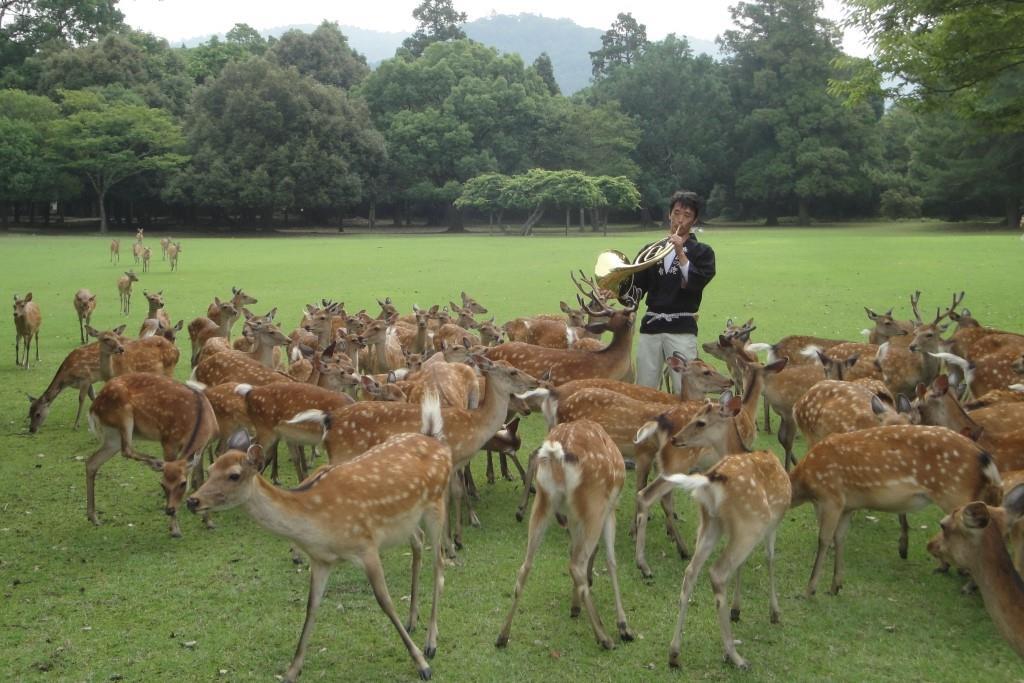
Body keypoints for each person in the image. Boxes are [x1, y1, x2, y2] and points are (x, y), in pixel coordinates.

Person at [622, 190, 716, 393]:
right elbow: (636, 291)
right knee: (644, 389)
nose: (680, 220)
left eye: (687, 215)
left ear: (695, 219)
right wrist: (616, 289)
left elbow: (696, 282)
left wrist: (680, 252)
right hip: (651, 327)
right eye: (676, 213)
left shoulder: (703, 252)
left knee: (685, 389)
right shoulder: (651, 250)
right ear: (669, 215)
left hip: (681, 328)